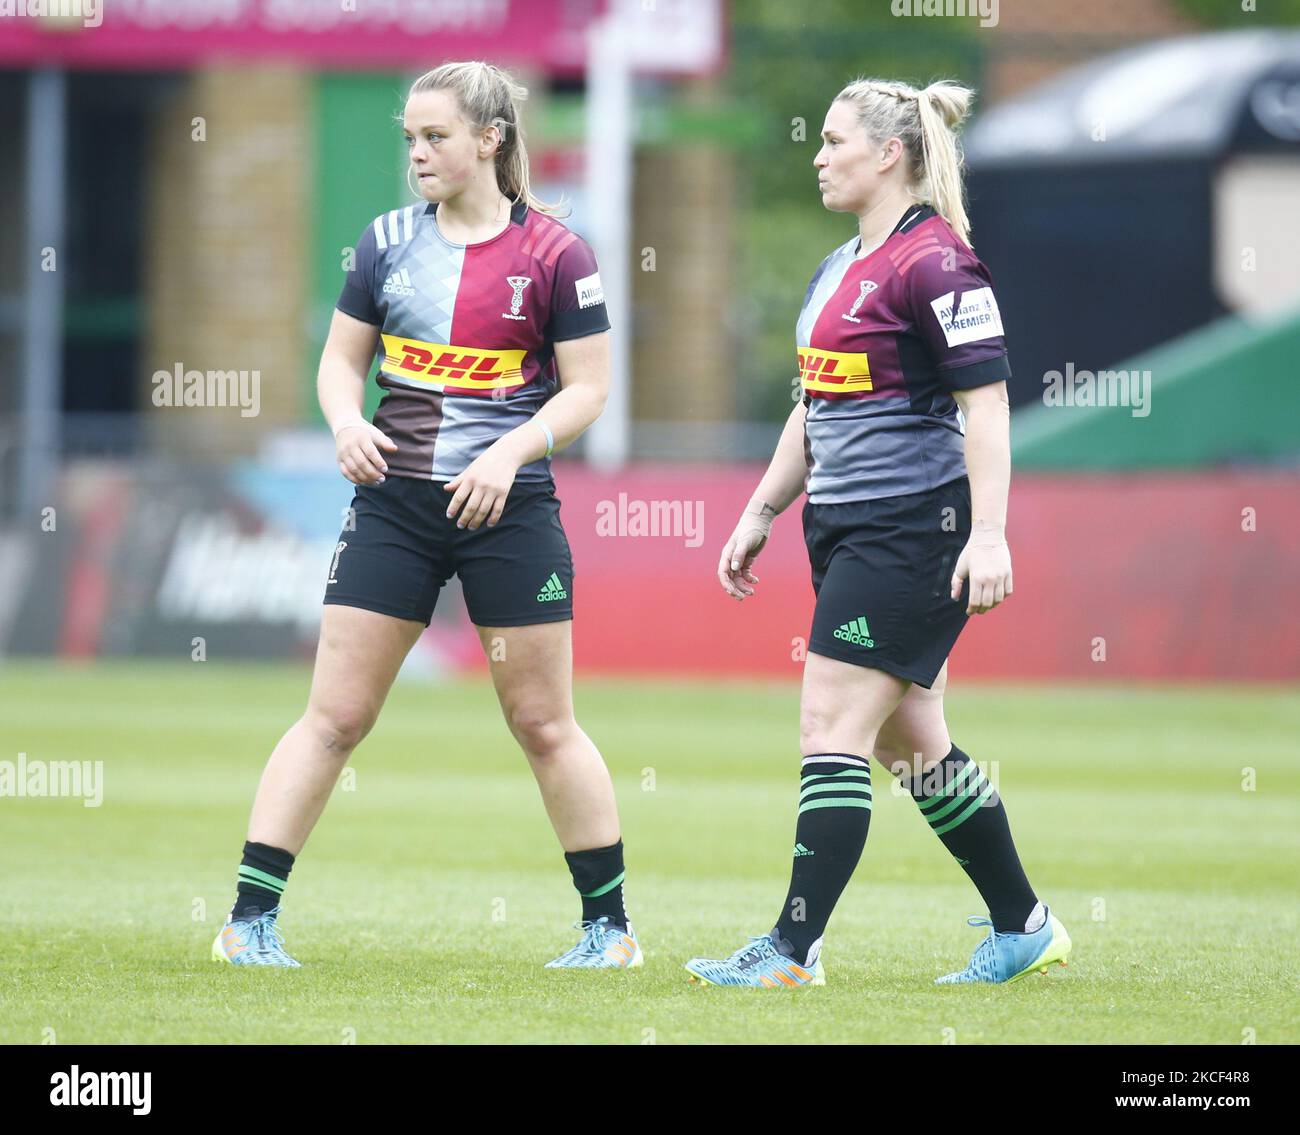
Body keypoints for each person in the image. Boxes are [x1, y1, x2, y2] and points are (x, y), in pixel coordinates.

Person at [212, 60, 640, 970]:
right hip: (396, 507)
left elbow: (590, 390)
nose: (417, 152)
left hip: (510, 505)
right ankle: (246, 922)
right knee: (332, 718)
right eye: (410, 137)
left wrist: (509, 450)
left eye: (435, 136)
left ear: (490, 139)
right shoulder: (383, 243)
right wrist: (341, 422)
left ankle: (609, 931)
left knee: (544, 723)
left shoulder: (558, 253)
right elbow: (339, 363)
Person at [684, 77, 1071, 988]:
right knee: (912, 745)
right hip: (845, 530)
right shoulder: (840, 265)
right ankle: (1025, 925)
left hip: (912, 534)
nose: (816, 155)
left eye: (834, 140)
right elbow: (811, 407)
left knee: (831, 722)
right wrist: (761, 509)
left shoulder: (937, 262)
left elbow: (987, 406)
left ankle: (791, 949)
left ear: (890, 153)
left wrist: (989, 534)